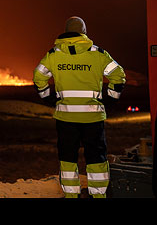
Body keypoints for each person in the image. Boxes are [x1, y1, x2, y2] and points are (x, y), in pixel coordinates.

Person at [33, 16, 126, 198]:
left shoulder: (53, 54)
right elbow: (119, 75)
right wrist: (111, 98)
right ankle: (98, 195)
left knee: (67, 159)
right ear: (84, 32)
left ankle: (71, 195)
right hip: (93, 118)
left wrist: (47, 97)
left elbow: (38, 76)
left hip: (65, 118)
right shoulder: (98, 54)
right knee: (96, 159)